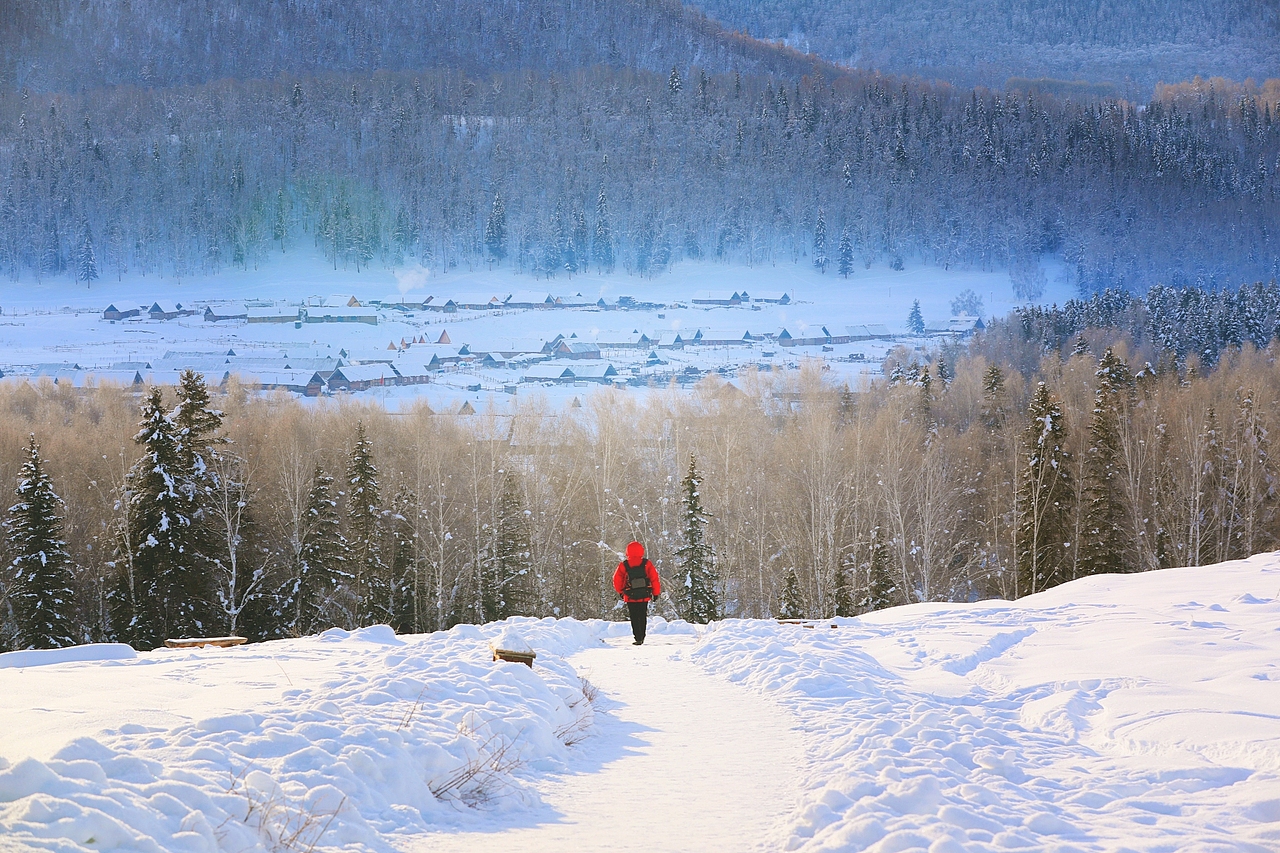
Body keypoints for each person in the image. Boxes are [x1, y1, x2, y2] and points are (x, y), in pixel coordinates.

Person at [613, 540, 661, 645]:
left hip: (630, 595)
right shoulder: (646, 563)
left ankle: (637, 637)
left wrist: (621, 591)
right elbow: (654, 579)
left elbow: (617, 579)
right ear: (641, 551)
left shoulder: (624, 565)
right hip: (644, 594)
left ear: (627, 552)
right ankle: (642, 636)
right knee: (642, 615)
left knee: (634, 616)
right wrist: (655, 593)